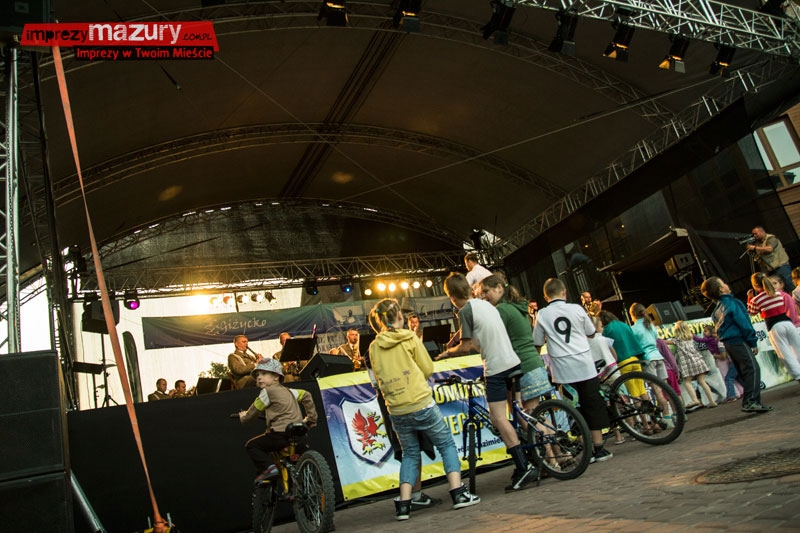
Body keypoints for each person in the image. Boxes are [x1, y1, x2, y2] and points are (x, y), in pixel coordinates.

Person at [367, 298, 480, 520]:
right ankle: (458, 492)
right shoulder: (409, 337)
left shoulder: (373, 347)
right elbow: (427, 368)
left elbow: (378, 379)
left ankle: (404, 504)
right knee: (446, 444)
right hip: (420, 401)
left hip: (396, 409)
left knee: (410, 453)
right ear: (400, 317)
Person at [437, 273, 539, 491]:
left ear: (451, 296)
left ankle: (523, 466)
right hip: (513, 362)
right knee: (517, 412)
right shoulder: (486, 305)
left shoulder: (465, 311)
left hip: (497, 368)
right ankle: (539, 452)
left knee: (497, 418)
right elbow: (479, 341)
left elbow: (466, 346)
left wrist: (447, 353)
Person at [533, 278, 613, 464]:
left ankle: (585, 447)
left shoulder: (542, 314)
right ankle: (599, 447)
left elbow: (537, 342)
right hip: (585, 364)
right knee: (592, 404)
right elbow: (591, 332)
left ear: (545, 296)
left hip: (563, 369)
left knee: (574, 408)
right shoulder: (577, 309)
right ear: (564, 292)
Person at [480, 275, 552, 414]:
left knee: (527, 416)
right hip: (534, 365)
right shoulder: (516, 307)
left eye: (486, 291)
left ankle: (548, 430)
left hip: (523, 368)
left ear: (499, 288)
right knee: (531, 416)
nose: (483, 296)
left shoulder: (501, 310)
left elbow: (492, 338)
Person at [239, 358, 318, 481]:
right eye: (258, 375)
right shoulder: (290, 391)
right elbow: (307, 395)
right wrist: (310, 418)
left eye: (264, 374)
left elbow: (252, 412)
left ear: (276, 377)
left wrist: (243, 417)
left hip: (280, 435)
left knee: (252, 445)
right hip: (299, 435)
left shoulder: (267, 392)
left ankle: (269, 468)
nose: (259, 378)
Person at [701, 276, 772, 413]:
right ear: (721, 289)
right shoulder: (733, 303)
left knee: (744, 371)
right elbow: (744, 322)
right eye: (723, 283)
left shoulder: (717, 310)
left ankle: (751, 400)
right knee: (752, 369)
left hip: (729, 344)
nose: (727, 284)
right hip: (738, 340)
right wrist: (752, 341)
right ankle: (751, 401)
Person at [747, 272, 800, 383]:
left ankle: (798, 376)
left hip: (775, 326)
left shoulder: (757, 299)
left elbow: (751, 312)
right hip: (788, 323)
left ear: (755, 286)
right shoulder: (778, 294)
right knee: (797, 349)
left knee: (785, 354)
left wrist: (750, 298)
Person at [665, 321, 718, 409]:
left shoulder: (677, 340)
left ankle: (695, 400)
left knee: (687, 382)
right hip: (698, 360)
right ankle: (712, 401)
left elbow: (665, 342)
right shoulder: (691, 337)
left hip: (688, 363)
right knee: (702, 382)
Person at [747, 226, 794, 290]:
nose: (754, 236)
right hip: (770, 270)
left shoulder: (771, 238)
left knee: (790, 285)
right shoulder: (757, 243)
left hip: (781, 267)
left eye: (756, 233)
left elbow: (770, 249)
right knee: (778, 289)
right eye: (753, 234)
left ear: (762, 231)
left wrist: (755, 248)